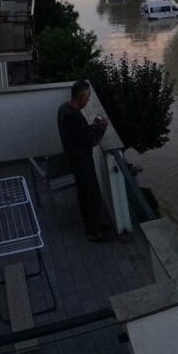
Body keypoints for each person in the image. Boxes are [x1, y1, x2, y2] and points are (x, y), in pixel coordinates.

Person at [58, 80, 113, 242]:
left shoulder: (63, 109)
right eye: (88, 96)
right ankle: (93, 231)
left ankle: (92, 224)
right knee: (92, 195)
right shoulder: (75, 116)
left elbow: (79, 134)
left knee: (84, 193)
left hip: (73, 158)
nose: (89, 100)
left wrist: (91, 128)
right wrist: (102, 126)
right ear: (81, 96)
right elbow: (92, 141)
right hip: (82, 161)